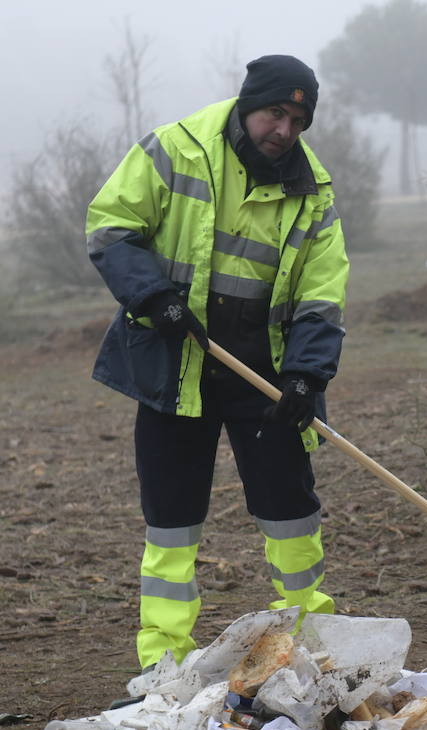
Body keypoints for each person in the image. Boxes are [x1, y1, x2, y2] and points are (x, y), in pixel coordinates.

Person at [85, 54, 347, 669]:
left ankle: (313, 643)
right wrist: (155, 300)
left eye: (297, 119)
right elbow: (110, 226)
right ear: (248, 104)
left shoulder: (313, 192)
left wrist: (307, 376)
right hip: (178, 361)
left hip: (268, 370)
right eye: (274, 112)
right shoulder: (174, 150)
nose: (282, 129)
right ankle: (163, 659)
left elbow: (322, 293)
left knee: (291, 512)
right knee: (171, 519)